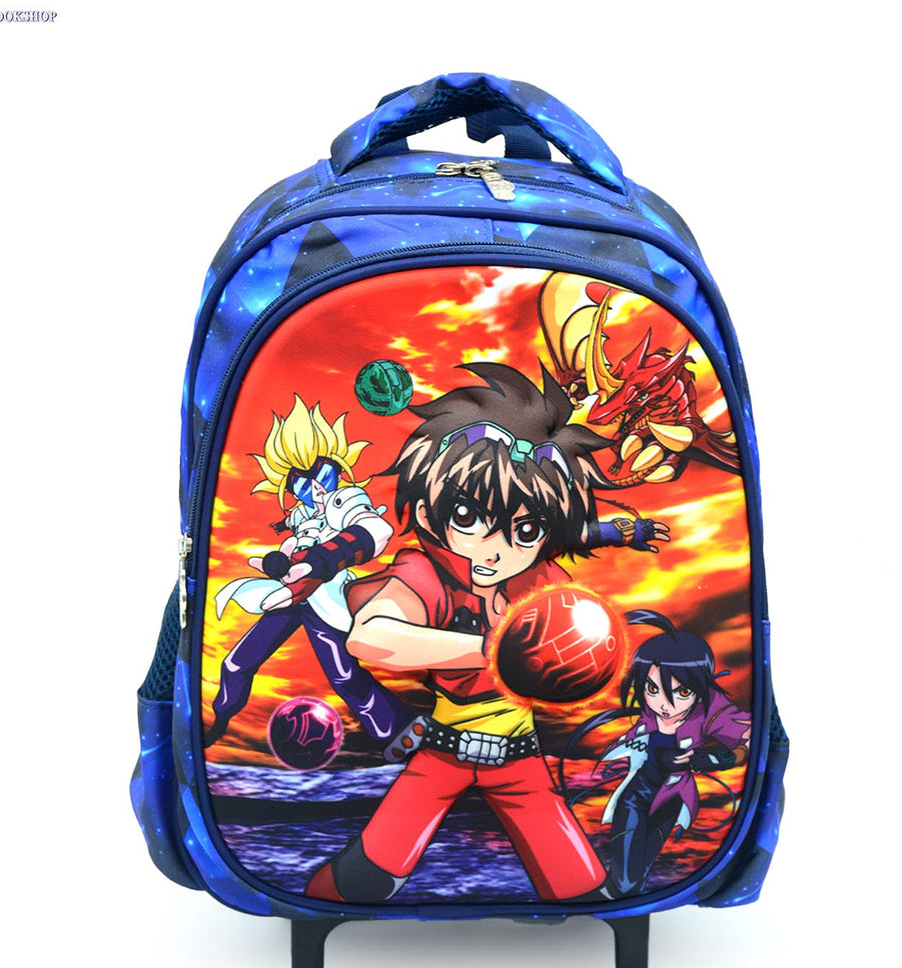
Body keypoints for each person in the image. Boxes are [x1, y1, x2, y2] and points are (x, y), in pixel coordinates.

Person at [285, 363, 669, 902]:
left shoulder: (542, 580)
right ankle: (308, 906)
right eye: (467, 517)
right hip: (442, 754)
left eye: (524, 530)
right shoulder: (426, 571)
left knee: (581, 886)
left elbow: (575, 627)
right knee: (362, 878)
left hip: (522, 761)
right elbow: (370, 636)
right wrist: (493, 649)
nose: (495, 549)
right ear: (427, 513)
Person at [205, 396, 410, 750]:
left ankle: (399, 733)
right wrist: (279, 562)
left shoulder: (346, 500)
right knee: (237, 662)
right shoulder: (302, 515)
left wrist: (323, 559)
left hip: (326, 600)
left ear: (339, 471)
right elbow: (293, 544)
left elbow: (375, 530)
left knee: (344, 676)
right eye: (301, 485)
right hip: (291, 595)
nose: (315, 489)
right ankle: (217, 721)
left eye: (324, 474)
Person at [599, 609, 751, 896]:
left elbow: (750, 735)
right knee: (626, 877)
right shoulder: (648, 710)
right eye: (652, 688)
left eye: (681, 693)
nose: (663, 704)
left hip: (671, 799)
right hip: (635, 795)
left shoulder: (709, 709)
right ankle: (616, 901)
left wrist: (718, 758)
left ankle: (624, 906)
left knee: (640, 872)